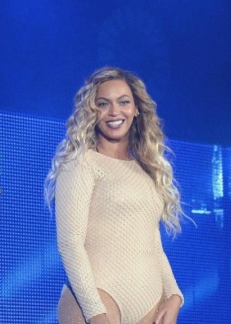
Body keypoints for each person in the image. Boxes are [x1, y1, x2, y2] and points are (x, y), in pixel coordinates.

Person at [44, 67, 185, 324]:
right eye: (103, 104)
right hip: (97, 299)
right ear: (92, 111)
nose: (114, 112)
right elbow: (69, 244)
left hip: (149, 303)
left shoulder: (146, 170)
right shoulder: (81, 163)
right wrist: (95, 312)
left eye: (123, 102)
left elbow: (153, 244)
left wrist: (174, 295)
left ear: (136, 109)